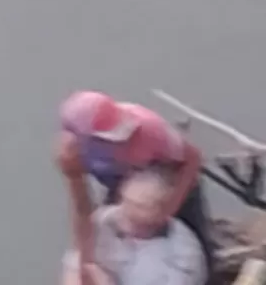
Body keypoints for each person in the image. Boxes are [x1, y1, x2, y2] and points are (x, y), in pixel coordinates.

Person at [55, 91, 213, 284]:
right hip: (122, 184)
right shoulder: (73, 156)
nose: (120, 138)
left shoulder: (148, 129)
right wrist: (86, 265)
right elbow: (82, 210)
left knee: (197, 247)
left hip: (172, 180)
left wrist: (168, 209)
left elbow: (193, 158)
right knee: (108, 240)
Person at [60, 169, 207, 285]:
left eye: (139, 207)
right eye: (125, 201)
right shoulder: (105, 219)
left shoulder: (183, 257)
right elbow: (76, 264)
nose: (123, 212)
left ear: (163, 212)